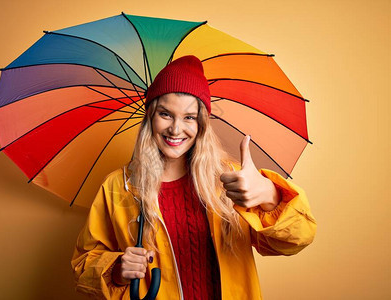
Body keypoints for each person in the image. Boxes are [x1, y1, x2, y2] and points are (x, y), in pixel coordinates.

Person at [71, 55, 316, 299]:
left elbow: (299, 238)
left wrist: (268, 195)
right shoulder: (119, 186)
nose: (176, 129)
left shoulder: (232, 179)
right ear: (149, 117)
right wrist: (116, 270)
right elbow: (84, 264)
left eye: (189, 117)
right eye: (165, 114)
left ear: (201, 124)